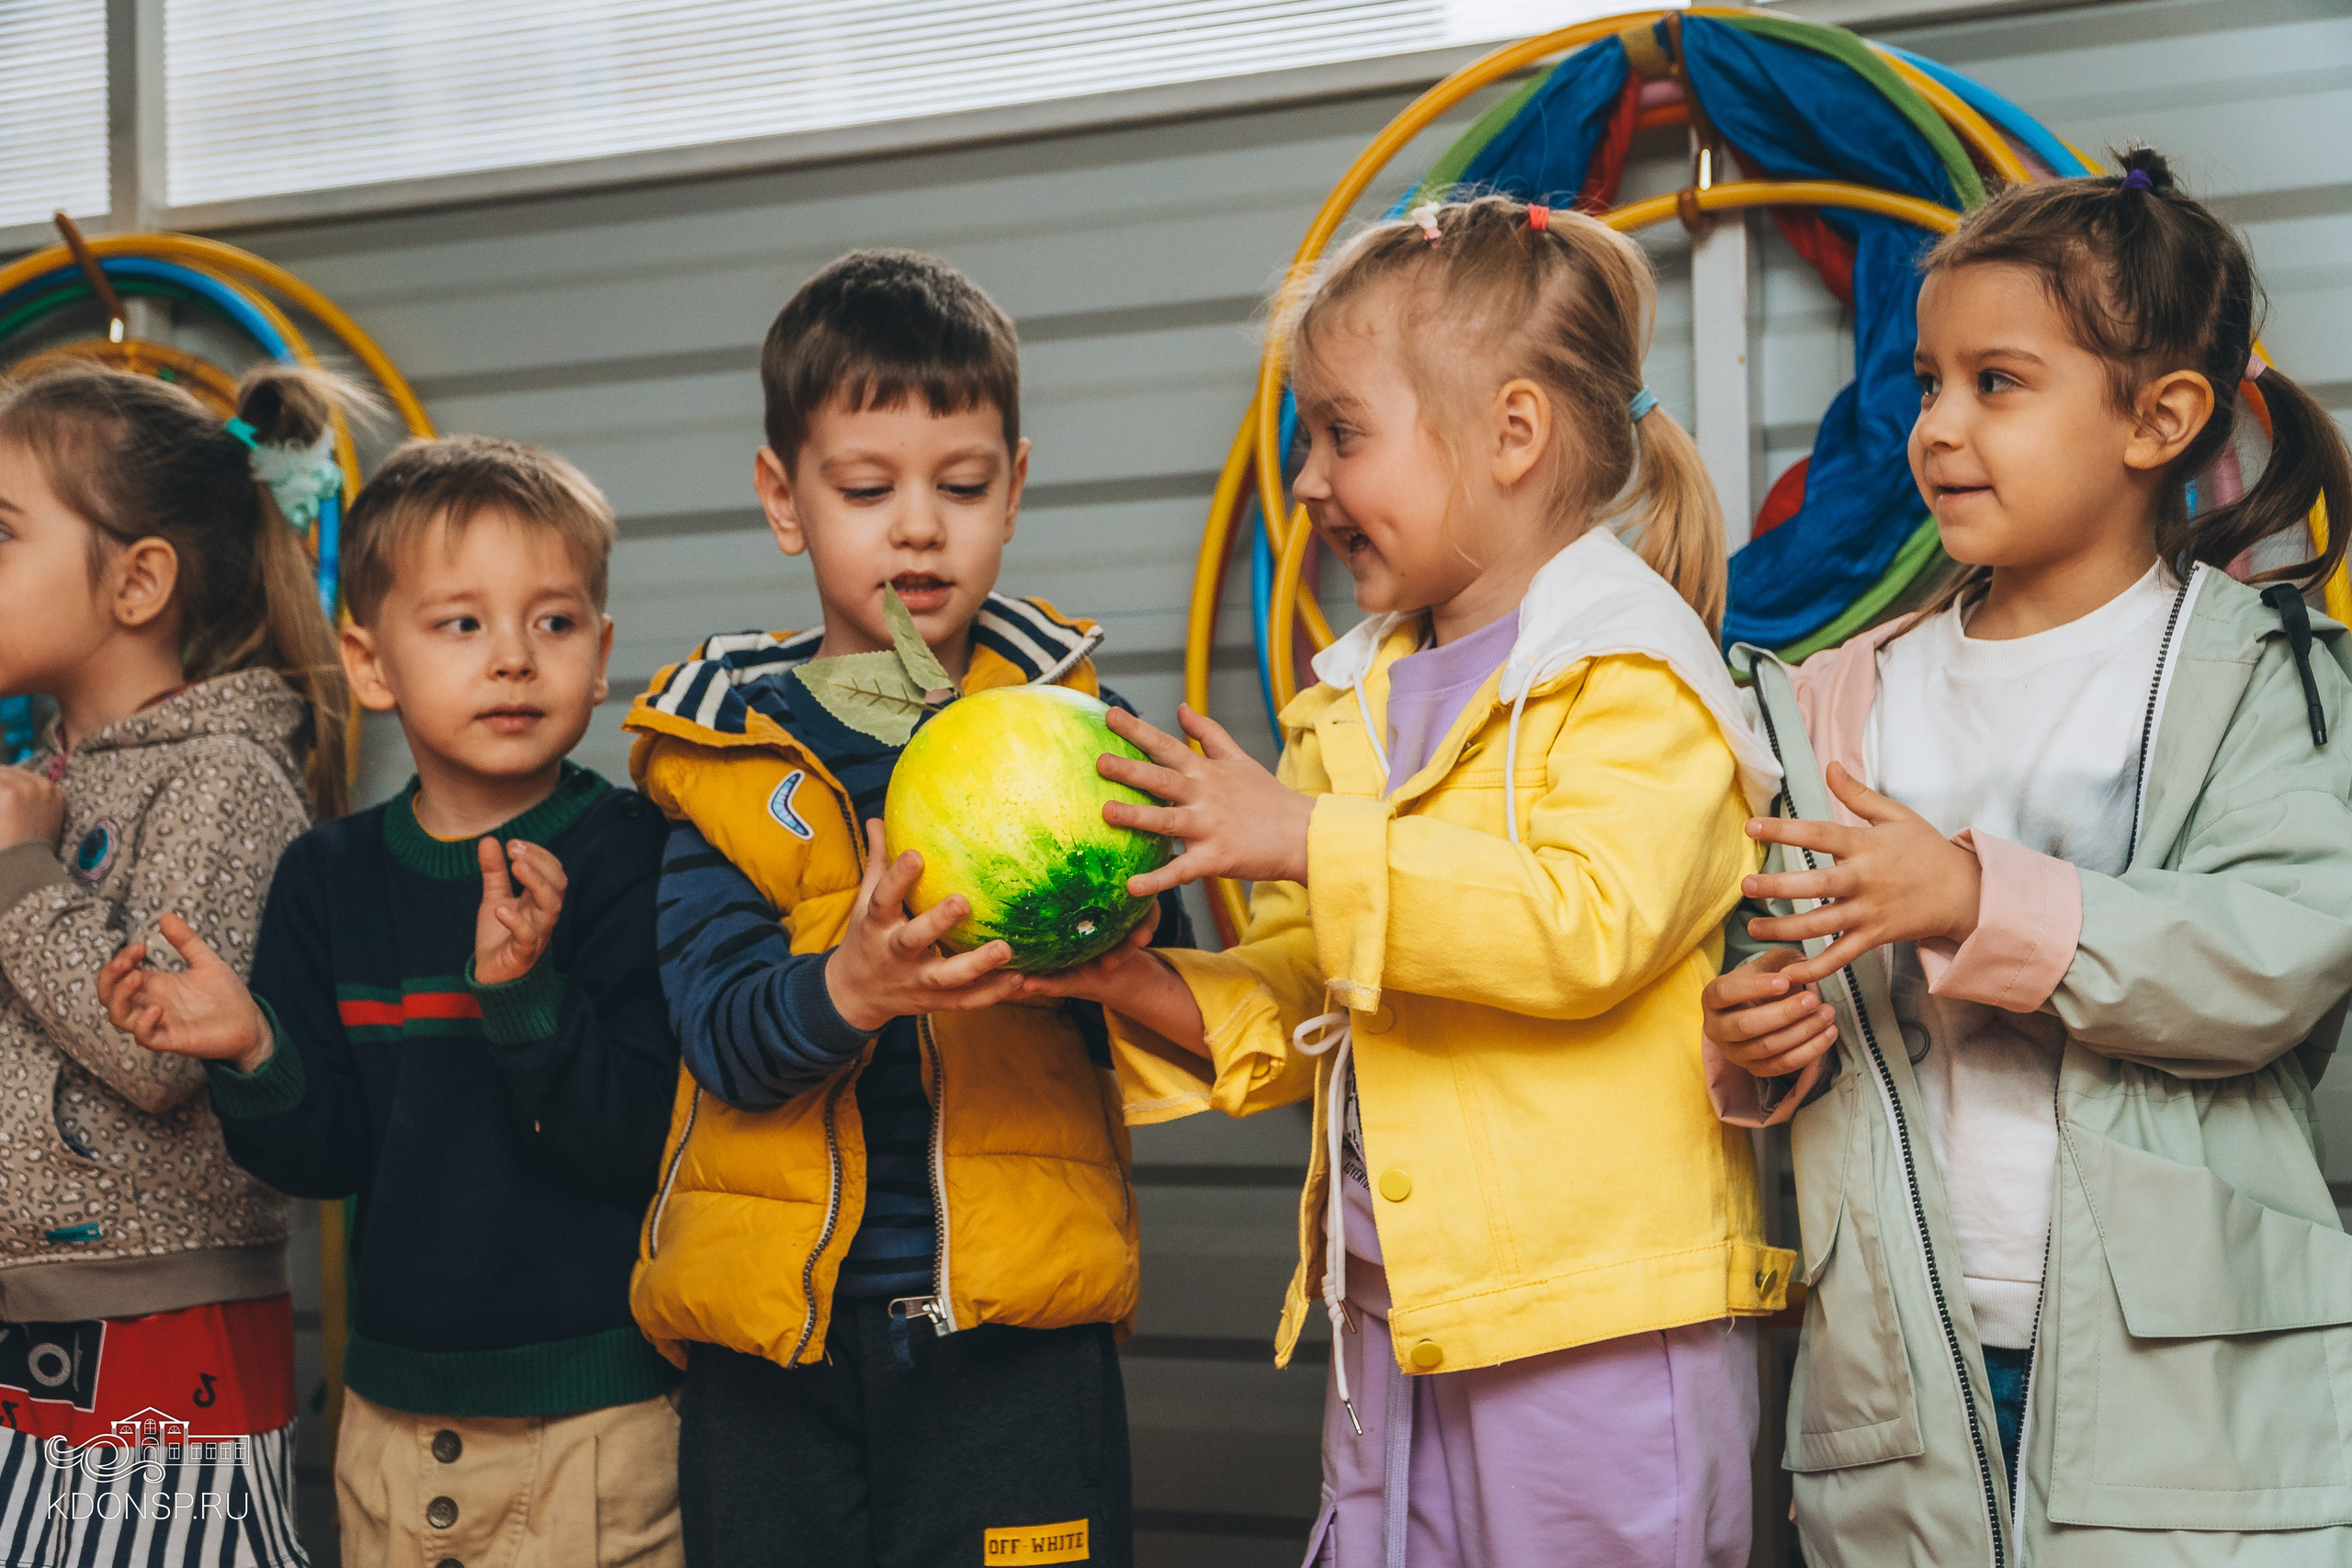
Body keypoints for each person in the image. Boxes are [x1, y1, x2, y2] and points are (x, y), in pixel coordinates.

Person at [1026, 196, 1793, 1567]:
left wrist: (1299, 837)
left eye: (1342, 432)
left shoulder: (1639, 674)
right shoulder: (1349, 701)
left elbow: (1583, 923)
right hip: (1402, 1316)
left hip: (1596, 1327)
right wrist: (1130, 976)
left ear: (1512, 433)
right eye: (1304, 438)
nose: (1309, 479)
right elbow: (1308, 990)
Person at [1703, 148, 2352, 1565]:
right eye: (1928, 382)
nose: (1938, 426)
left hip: (2188, 1389)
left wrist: (1975, 896)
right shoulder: (1833, 699)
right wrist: (1756, 1042)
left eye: (1996, 383)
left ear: (2161, 416)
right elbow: (1788, 969)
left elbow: (2276, 955)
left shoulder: (2265, 680)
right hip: (1897, 1379)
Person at [624, 248, 1189, 1568]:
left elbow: (1178, 1001)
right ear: (785, 499)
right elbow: (721, 1031)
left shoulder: (1084, 734)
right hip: (773, 1349)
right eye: (868, 488)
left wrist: (1138, 934)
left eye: (963, 485)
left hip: (1015, 1335)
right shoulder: (727, 756)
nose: (918, 525)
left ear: (1016, 491)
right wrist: (854, 982)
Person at [102, 435, 685, 1567]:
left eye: (553, 622)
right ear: (371, 664)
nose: (513, 658)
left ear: (602, 652)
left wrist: (522, 997)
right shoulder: (330, 878)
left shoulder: (634, 859)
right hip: (390, 1421)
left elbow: (639, 1138)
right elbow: (324, 1158)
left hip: (602, 1425)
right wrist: (253, 1046)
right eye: (461, 623)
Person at [0, 364, 352, 1564]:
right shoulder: (48, 790)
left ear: (139, 579)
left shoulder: (220, 780)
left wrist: (19, 874)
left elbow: (157, 1050)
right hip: (30, 1312)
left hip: (161, 1321)